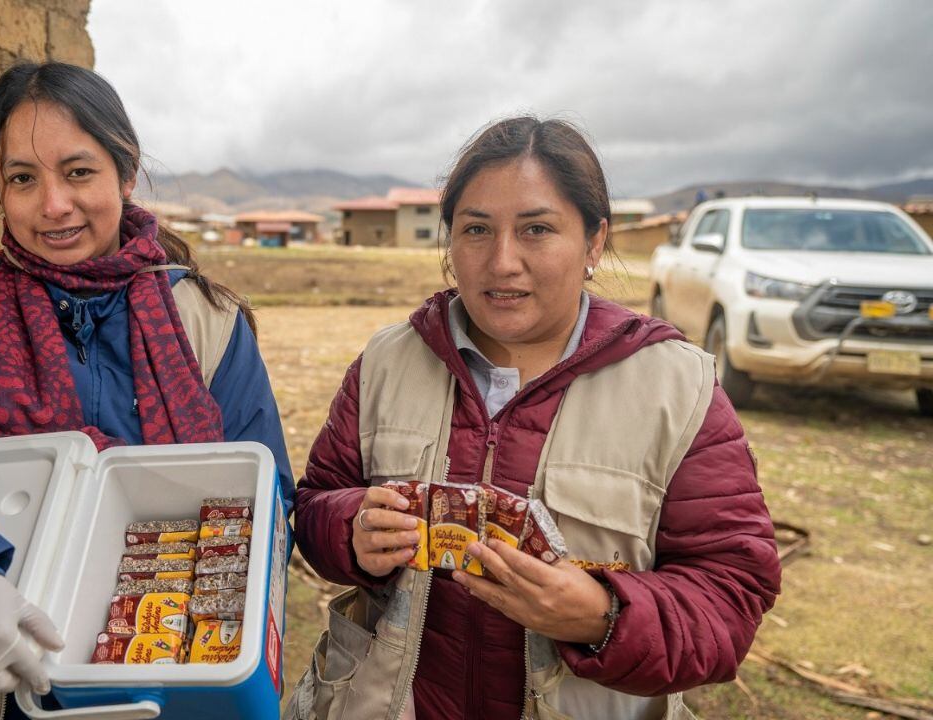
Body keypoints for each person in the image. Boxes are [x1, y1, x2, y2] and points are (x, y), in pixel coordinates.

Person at [0, 62, 293, 720]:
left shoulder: (209, 322)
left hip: (163, 687)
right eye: (23, 179)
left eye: (78, 171)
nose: (53, 205)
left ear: (126, 172)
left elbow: (266, 504)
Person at [290, 117, 780, 720]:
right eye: (476, 229)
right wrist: (352, 530)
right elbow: (317, 503)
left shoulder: (677, 388)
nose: (502, 262)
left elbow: (731, 596)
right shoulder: (387, 362)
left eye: (537, 229)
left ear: (594, 242)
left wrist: (602, 616)